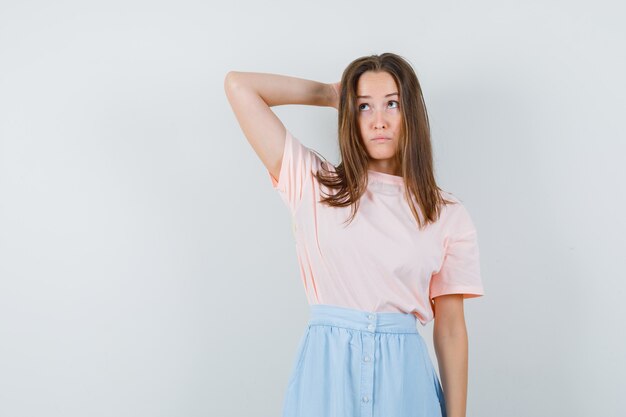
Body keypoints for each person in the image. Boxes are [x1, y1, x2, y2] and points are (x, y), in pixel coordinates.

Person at [223, 52, 485, 417]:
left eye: (392, 104)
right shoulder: (314, 185)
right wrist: (333, 95)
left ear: (411, 111)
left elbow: (452, 328)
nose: (379, 121)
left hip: (405, 382)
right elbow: (240, 86)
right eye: (364, 107)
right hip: (325, 377)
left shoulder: (445, 212)